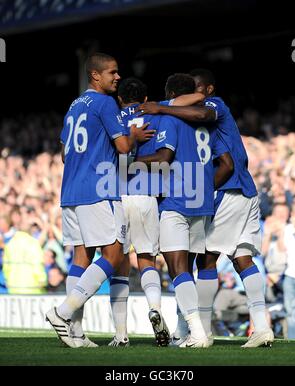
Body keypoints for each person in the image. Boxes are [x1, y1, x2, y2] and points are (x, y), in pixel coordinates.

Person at [137, 68, 274, 348]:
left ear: (208, 90)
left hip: (227, 191)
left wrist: (161, 108)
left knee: (203, 261)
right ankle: (261, 326)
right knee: (242, 259)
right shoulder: (207, 123)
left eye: (197, 91)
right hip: (245, 190)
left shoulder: (212, 107)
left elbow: (219, 156)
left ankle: (202, 330)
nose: (193, 98)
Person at [45, 52, 153, 348]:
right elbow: (121, 147)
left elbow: (66, 153)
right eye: (112, 73)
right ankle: (62, 312)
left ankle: (76, 333)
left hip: (70, 191)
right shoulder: (105, 103)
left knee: (81, 258)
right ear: (95, 75)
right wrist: (133, 136)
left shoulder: (74, 105)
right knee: (115, 256)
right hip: (98, 190)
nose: (118, 77)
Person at [136, 73, 233, 348]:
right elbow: (226, 162)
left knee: (178, 269)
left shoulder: (170, 117)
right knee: (187, 269)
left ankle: (199, 333)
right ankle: (184, 330)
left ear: (170, 94)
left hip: (177, 199)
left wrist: (130, 162)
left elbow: (164, 158)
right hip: (202, 202)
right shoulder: (207, 122)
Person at [108, 77, 170, 347]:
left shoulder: (112, 117)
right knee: (147, 260)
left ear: (120, 99)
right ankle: (154, 308)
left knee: (118, 264)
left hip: (117, 195)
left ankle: (121, 334)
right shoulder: (156, 116)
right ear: (146, 99)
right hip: (146, 195)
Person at [283, 202, 295, 339]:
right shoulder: (287, 229)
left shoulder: (294, 230)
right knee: (293, 314)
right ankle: (293, 343)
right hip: (290, 277)